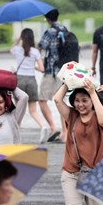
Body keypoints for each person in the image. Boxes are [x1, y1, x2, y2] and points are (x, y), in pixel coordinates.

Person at [10, 28, 48, 143]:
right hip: (31, 81)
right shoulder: (35, 51)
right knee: (33, 110)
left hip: (20, 80)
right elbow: (42, 69)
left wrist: (18, 39)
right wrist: (33, 67)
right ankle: (43, 126)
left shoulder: (17, 49)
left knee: (18, 108)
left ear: (22, 38)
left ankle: (16, 133)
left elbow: (10, 49)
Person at [38, 9, 66, 142]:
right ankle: (65, 134)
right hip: (63, 71)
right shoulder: (64, 29)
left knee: (42, 100)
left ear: (48, 19)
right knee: (61, 101)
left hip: (51, 71)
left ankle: (53, 128)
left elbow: (41, 47)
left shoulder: (49, 32)